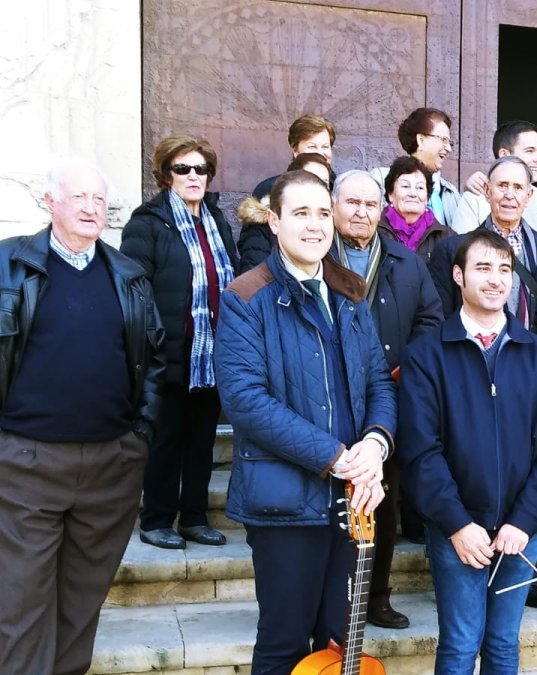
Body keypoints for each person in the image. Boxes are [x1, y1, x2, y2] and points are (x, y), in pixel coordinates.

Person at [214, 170, 396, 674]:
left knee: (339, 647)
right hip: (285, 504)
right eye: (300, 213)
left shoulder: (351, 291)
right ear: (274, 221)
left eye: (321, 213)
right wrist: (337, 457)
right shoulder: (246, 296)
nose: (314, 225)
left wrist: (376, 445)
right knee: (284, 644)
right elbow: (246, 401)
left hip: (352, 499)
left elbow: (378, 382)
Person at [0, 161, 164, 673]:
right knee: (20, 602)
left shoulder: (128, 274)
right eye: (80, 198)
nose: (92, 208)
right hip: (25, 461)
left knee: (82, 600)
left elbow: (154, 358)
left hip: (111, 465)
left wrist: (140, 435)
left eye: (100, 199)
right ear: (50, 202)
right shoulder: (9, 265)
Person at [397, 228, 537, 675]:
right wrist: (457, 523)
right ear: (458, 275)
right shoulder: (426, 355)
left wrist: (524, 521)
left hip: (520, 529)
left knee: (502, 645)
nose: (495, 279)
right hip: (458, 531)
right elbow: (421, 450)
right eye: (482, 268)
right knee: (459, 645)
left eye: (504, 270)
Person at [328, 169, 442, 627]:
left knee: (383, 503)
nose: (361, 212)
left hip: (387, 402)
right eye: (352, 203)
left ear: (383, 210)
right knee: (327, 509)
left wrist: (404, 369)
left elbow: (431, 322)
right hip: (328, 399)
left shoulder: (407, 262)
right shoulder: (316, 257)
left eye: (370, 204)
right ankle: (330, 600)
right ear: (334, 207)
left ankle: (375, 597)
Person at [122, 134, 239, 550]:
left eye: (201, 169)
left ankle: (193, 517)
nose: (193, 176)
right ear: (165, 175)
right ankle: (156, 520)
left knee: (201, 441)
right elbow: (135, 293)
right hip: (168, 354)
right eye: (182, 169)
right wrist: (151, 348)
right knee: (166, 442)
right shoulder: (147, 223)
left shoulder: (217, 221)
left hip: (210, 356)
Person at [428, 156, 537, 356]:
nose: (509, 195)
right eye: (502, 186)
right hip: (469, 361)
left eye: (517, 187)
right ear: (487, 191)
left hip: (529, 363)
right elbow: (437, 317)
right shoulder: (452, 250)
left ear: (529, 195)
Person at [238, 149, 335, 274]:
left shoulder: (328, 225)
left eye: (323, 183)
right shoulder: (262, 226)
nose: (315, 187)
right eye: (307, 179)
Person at [371, 107, 460, 225]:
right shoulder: (381, 179)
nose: (448, 148)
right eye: (443, 140)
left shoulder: (451, 193)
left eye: (450, 143)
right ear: (421, 140)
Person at [250, 114, 336, 200]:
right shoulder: (269, 189)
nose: (320, 153)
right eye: (312, 147)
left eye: (325, 147)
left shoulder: (340, 188)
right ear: (295, 150)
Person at [381, 155, 451, 260]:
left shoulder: (445, 236)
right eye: (405, 186)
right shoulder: (376, 231)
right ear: (390, 194)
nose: (413, 194)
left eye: (420, 187)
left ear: (427, 197)